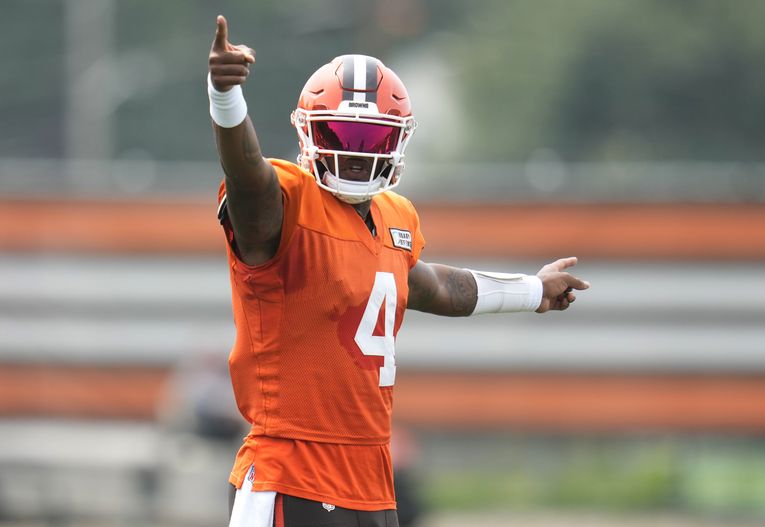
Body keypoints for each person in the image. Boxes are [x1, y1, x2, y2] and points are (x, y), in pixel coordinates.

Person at [207, 14, 589, 527]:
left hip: (372, 477)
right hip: (291, 472)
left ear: (397, 143)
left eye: (372, 139)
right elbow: (247, 177)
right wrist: (226, 98)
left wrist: (532, 289)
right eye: (340, 134)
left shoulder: (395, 219)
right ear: (309, 133)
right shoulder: (284, 205)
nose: (355, 153)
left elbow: (436, 286)